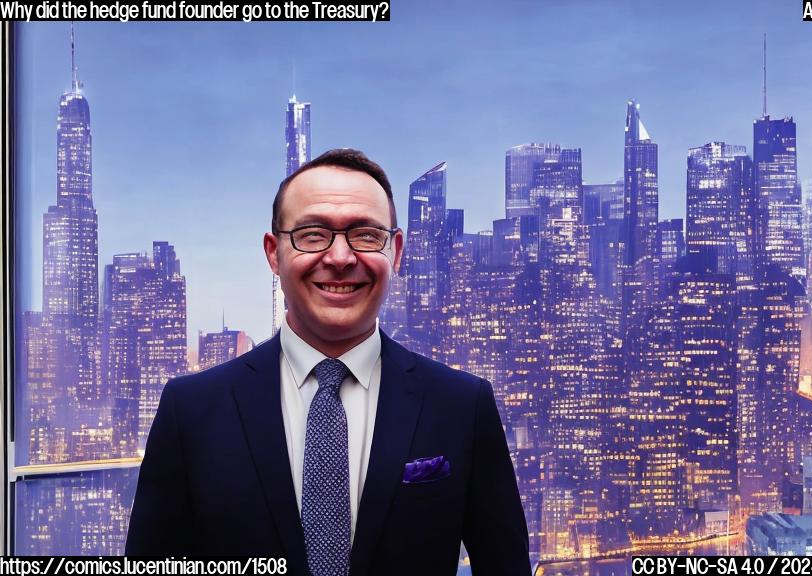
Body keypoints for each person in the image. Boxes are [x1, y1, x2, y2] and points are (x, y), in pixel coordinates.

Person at [125, 149, 531, 576]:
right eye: (314, 234)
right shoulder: (190, 410)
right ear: (273, 252)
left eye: (366, 234)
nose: (340, 258)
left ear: (395, 252)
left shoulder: (462, 406)